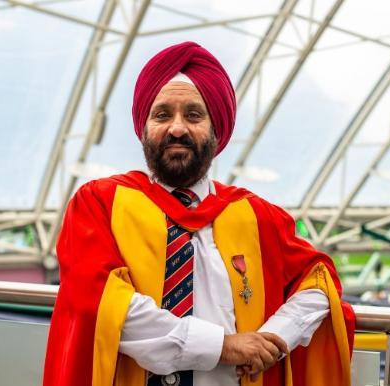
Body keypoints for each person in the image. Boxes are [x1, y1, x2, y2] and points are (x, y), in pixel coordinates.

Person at [43, 41, 355, 386]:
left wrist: (275, 339)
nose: (177, 128)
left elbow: (319, 283)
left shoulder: (257, 217)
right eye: (162, 115)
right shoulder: (99, 204)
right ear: (144, 129)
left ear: (216, 130)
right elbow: (105, 304)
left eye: (193, 115)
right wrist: (223, 347)